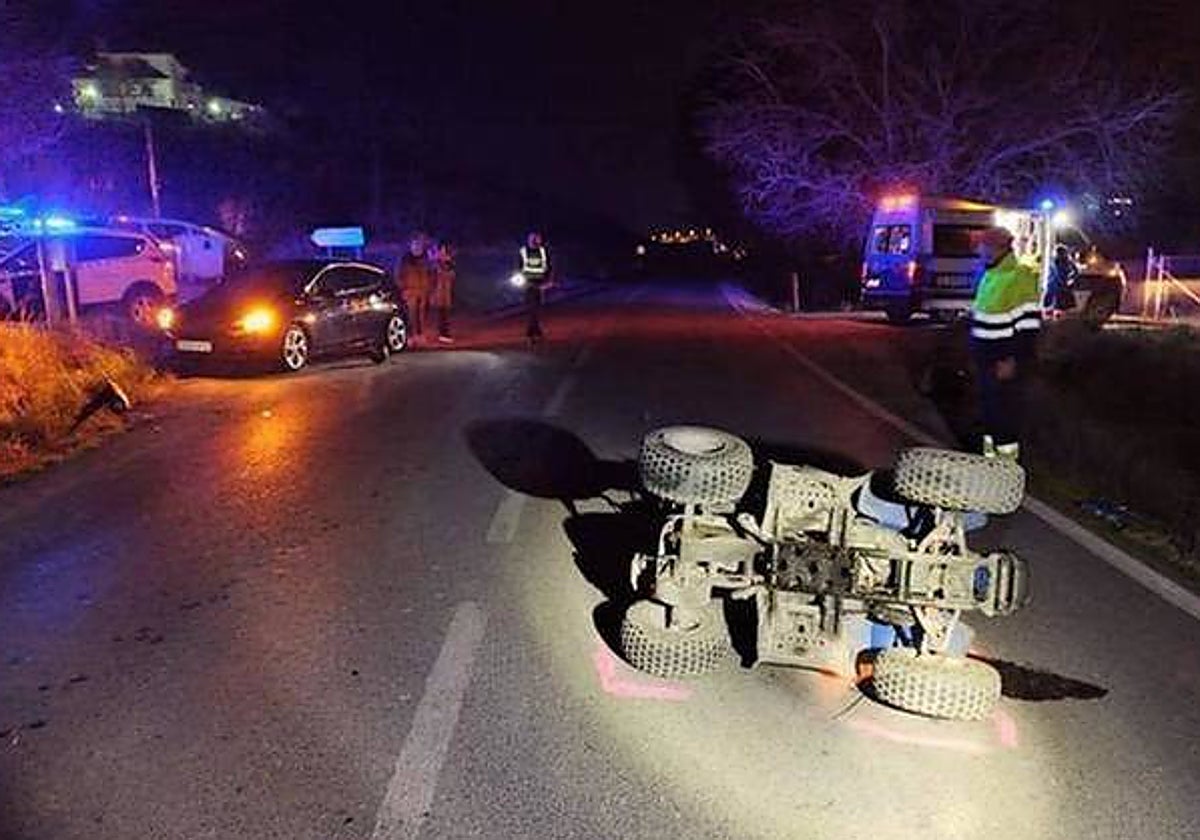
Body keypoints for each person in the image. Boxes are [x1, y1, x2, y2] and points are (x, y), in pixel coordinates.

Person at [969, 226, 1042, 460]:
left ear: (995, 248)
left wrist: (1012, 359)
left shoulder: (1018, 276)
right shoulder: (991, 274)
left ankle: (1008, 467)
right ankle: (990, 463)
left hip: (1002, 361)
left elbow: (1028, 326)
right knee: (989, 415)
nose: (978, 249)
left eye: (982, 244)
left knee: (1003, 417)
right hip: (986, 360)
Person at [517, 231, 552, 343]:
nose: (537, 241)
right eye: (534, 239)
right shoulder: (523, 251)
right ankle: (531, 333)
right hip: (528, 284)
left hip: (540, 284)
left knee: (536, 309)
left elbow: (548, 267)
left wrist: (549, 281)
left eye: (538, 239)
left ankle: (535, 330)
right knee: (532, 308)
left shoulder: (543, 251)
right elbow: (519, 267)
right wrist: (521, 281)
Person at [395, 234, 432, 341]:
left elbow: (431, 273)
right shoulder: (405, 259)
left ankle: (421, 334)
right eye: (415, 244)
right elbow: (399, 275)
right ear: (411, 246)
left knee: (421, 314)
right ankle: (412, 335)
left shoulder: (426, 259)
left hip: (423, 291)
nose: (417, 247)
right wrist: (403, 288)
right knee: (411, 314)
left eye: (419, 245)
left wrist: (429, 288)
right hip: (410, 291)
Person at [431, 240, 456, 344]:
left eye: (444, 250)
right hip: (438, 293)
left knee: (445, 314)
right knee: (441, 314)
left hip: (446, 293)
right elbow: (433, 278)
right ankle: (443, 334)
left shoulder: (449, 263)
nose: (443, 252)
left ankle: (445, 333)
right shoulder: (436, 263)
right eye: (441, 250)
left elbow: (452, 276)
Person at [1044, 244, 1078, 318]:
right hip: (1055, 285)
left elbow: (1075, 271)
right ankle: (1053, 313)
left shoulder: (1066, 261)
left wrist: (1071, 278)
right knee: (1055, 301)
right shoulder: (1055, 262)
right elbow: (1057, 274)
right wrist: (1069, 280)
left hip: (1060, 285)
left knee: (1059, 302)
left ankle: (1056, 314)